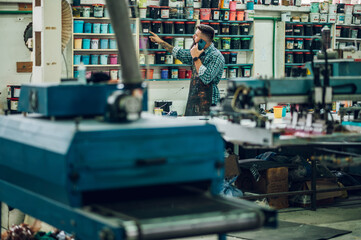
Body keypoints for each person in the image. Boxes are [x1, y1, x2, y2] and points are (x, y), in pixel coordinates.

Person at [149, 24, 225, 116]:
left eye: (196, 35)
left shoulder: (216, 56)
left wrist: (196, 58)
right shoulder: (197, 51)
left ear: (202, 41)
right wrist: (160, 41)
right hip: (194, 99)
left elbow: (207, 78)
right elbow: (179, 53)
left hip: (209, 103)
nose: (193, 36)